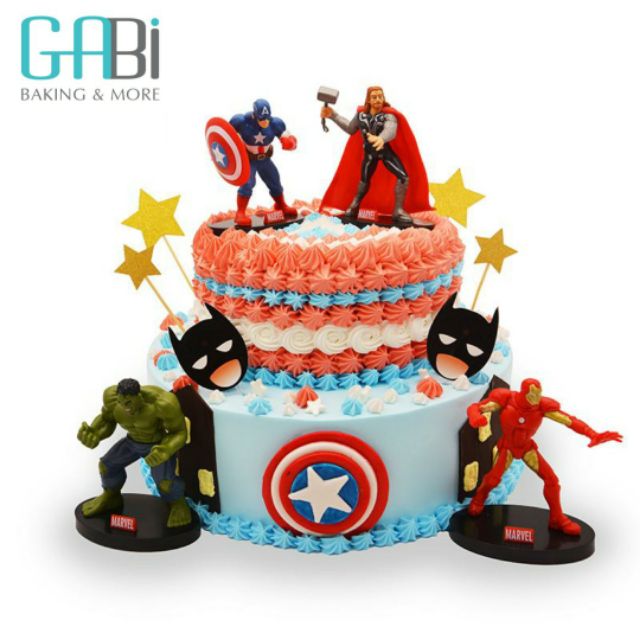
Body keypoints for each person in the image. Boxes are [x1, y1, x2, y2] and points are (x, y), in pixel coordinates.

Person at [466, 378, 623, 535]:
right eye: (532, 395)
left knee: (552, 480)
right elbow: (476, 407)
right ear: (523, 392)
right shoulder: (507, 399)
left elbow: (569, 420)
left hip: (527, 448)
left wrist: (592, 434)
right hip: (508, 447)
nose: (535, 399)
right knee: (493, 478)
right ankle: (478, 500)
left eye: (538, 394)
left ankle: (557, 518)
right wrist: (475, 417)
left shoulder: (542, 407)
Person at [77, 378, 191, 527]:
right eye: (121, 403)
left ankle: (178, 504)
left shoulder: (162, 403)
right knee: (106, 466)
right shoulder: (112, 399)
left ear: (139, 396)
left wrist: (166, 449)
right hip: (132, 442)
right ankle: (111, 497)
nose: (125, 407)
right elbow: (106, 420)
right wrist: (95, 433)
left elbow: (179, 432)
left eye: (129, 402)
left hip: (156, 446)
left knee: (164, 482)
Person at [320, 86, 431, 223]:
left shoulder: (388, 116)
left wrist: (381, 138)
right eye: (374, 97)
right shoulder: (361, 116)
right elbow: (350, 128)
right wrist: (333, 115)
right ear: (368, 100)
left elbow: (391, 129)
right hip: (369, 154)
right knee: (364, 181)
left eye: (380, 96)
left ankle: (398, 210)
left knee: (403, 177)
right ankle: (354, 206)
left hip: (385, 152)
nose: (378, 99)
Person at [230, 99, 298, 225]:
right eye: (262, 119)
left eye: (267, 118)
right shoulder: (242, 121)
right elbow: (226, 136)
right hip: (249, 160)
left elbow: (288, 136)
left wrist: (290, 142)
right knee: (247, 183)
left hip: (265, 159)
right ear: (255, 115)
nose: (265, 122)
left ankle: (281, 205)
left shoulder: (275, 123)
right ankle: (240, 213)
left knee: (275, 181)